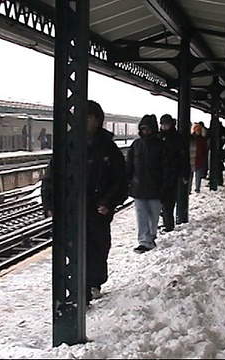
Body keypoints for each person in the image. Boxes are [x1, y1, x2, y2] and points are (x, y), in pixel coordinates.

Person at [41, 100, 128, 304]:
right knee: (72, 249)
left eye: (88, 117)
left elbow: (121, 180)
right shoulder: (67, 146)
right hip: (70, 209)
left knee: (97, 248)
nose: (84, 121)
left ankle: (93, 283)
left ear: (98, 120)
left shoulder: (109, 148)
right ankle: (79, 292)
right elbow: (51, 177)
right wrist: (49, 203)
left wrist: (109, 202)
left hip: (97, 210)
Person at [127, 114, 175, 253]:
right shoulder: (136, 145)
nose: (145, 131)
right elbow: (129, 166)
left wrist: (166, 186)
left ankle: (150, 237)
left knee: (153, 216)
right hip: (140, 187)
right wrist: (128, 182)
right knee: (141, 215)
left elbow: (168, 168)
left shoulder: (161, 146)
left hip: (155, 188)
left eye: (147, 129)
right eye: (143, 129)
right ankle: (144, 240)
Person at [158, 114, 188, 233]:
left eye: (166, 124)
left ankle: (169, 224)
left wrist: (184, 173)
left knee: (168, 200)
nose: (164, 126)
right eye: (163, 124)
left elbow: (183, 157)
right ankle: (166, 221)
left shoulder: (176, 138)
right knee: (163, 200)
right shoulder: (160, 137)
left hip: (172, 173)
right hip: (161, 173)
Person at [189, 123, 208, 193]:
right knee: (193, 175)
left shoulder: (192, 138)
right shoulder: (202, 139)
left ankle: (196, 188)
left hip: (196, 158)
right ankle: (191, 188)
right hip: (195, 158)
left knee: (196, 175)